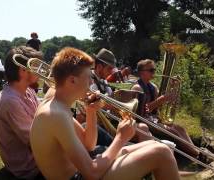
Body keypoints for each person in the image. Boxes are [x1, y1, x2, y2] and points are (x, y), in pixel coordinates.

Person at [30, 47, 180, 180]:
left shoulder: (56, 105)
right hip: (80, 176)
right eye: (88, 77)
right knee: (161, 152)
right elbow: (92, 173)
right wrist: (121, 138)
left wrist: (91, 112)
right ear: (72, 81)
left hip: (81, 172)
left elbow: (89, 145)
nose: (91, 82)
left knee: (153, 144)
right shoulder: (55, 114)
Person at [0, 46, 44, 179]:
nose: (41, 71)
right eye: (36, 66)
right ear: (23, 70)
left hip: (39, 160)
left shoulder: (28, 91)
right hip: (30, 169)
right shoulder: (10, 101)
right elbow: (35, 142)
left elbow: (42, 120)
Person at [131, 59, 199, 157]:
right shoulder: (137, 88)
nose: (154, 72)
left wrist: (171, 88)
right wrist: (162, 99)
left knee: (180, 128)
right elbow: (140, 113)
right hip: (142, 121)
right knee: (174, 132)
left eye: (154, 70)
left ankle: (196, 150)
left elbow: (157, 107)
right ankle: (197, 155)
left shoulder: (152, 87)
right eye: (151, 70)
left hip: (153, 119)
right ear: (142, 72)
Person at [91, 48, 152, 142]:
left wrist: (124, 95)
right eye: (109, 68)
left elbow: (111, 97)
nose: (111, 72)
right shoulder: (89, 81)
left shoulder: (103, 81)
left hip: (108, 120)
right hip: (100, 126)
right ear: (99, 67)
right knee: (142, 128)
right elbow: (95, 106)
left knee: (142, 127)